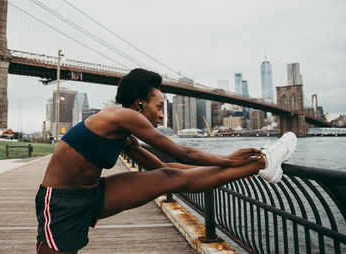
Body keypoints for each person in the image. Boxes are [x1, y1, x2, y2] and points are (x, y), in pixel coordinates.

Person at [36, 68, 297, 254]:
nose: (161, 115)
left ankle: (262, 164)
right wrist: (227, 160)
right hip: (61, 200)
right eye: (159, 106)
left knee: (167, 177)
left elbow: (162, 168)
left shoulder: (122, 129)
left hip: (92, 194)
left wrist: (237, 165)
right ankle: (262, 163)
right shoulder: (121, 116)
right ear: (139, 104)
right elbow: (183, 154)